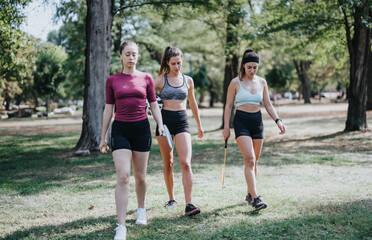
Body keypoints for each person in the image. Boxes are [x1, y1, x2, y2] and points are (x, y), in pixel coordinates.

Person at [99, 41, 164, 240]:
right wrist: (103, 136)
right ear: (121, 56)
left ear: (137, 56)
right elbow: (109, 109)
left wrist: (160, 125)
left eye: (134, 54)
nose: (131, 58)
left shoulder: (146, 78)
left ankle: (141, 210)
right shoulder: (112, 80)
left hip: (142, 129)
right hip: (120, 130)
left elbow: (153, 104)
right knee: (123, 176)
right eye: (127, 54)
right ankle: (121, 226)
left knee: (141, 176)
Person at [222, 49, 286, 212]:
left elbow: (268, 104)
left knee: (254, 161)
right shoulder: (235, 82)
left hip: (257, 122)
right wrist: (226, 127)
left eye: (255, 67)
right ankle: (256, 198)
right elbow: (228, 106)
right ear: (243, 66)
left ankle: (250, 194)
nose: (252, 70)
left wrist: (277, 120)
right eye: (249, 67)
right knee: (250, 159)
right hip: (241, 121)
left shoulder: (262, 82)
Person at [154, 46, 204, 216]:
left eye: (179, 63)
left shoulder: (188, 80)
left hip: (182, 121)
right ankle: (171, 198)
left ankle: (189, 204)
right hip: (164, 123)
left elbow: (193, 103)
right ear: (167, 63)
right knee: (168, 162)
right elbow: (147, 97)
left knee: (186, 162)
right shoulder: (160, 80)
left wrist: (199, 124)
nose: (177, 66)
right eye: (173, 63)